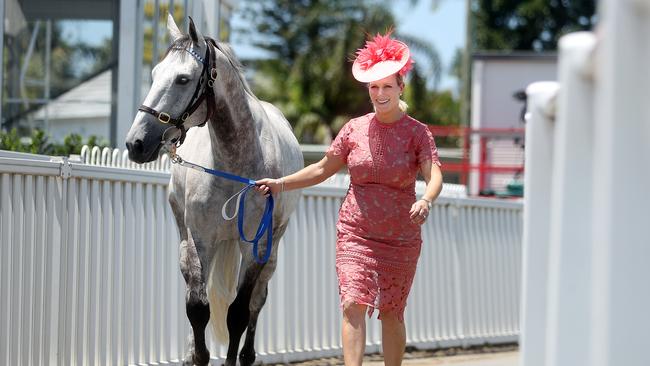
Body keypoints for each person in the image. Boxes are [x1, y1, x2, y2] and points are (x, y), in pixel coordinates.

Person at [255, 32, 443, 366]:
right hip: (355, 233)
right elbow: (322, 169)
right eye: (373, 87)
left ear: (401, 87)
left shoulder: (417, 133)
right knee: (353, 303)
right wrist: (280, 183)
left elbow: (435, 175)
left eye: (387, 86)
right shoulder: (354, 129)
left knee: (391, 313)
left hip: (400, 238)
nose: (380, 94)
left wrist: (426, 199)